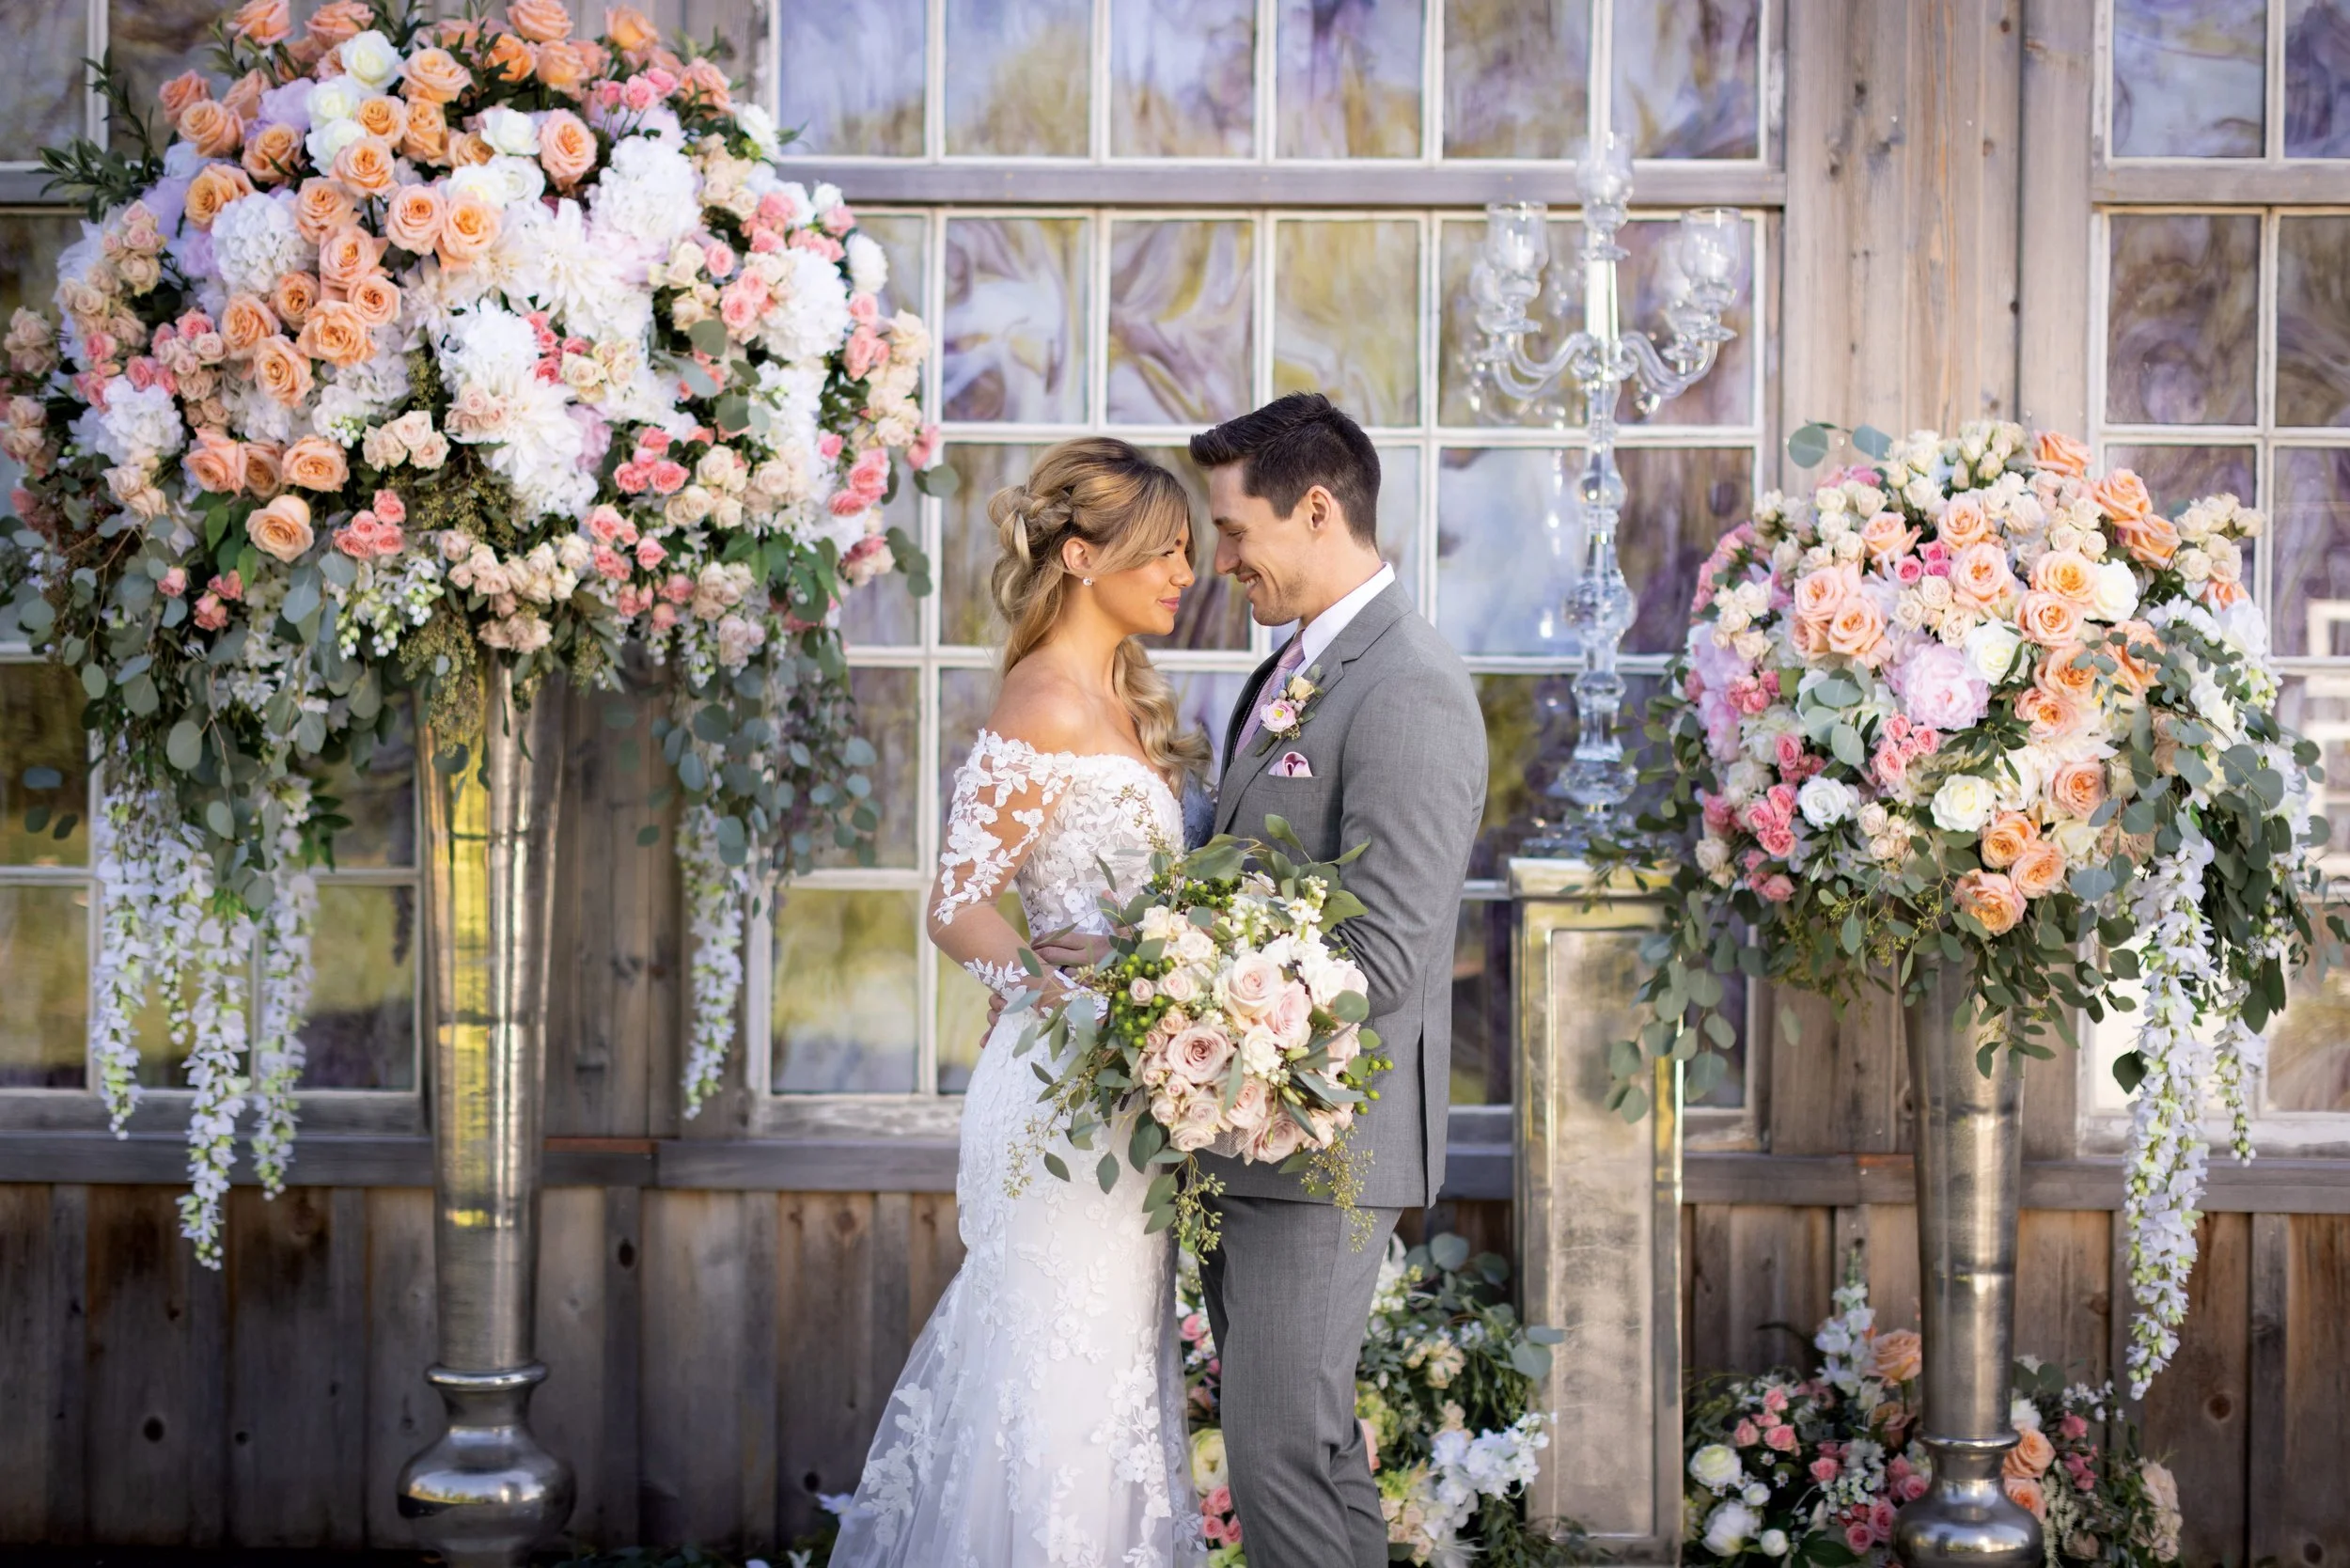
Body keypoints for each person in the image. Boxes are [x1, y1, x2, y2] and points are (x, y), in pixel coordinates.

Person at [1038, 392, 1488, 1568]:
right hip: (1253, 1132)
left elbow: (1383, 955)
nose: (1216, 559)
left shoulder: (1409, 689)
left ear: (1319, 509)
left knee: (1279, 1453)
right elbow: (1242, 869)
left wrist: (1155, 968)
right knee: (1308, 1449)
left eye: (1234, 532)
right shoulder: (1293, 665)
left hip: (1324, 1145)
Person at [828, 436, 1212, 1568]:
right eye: (1166, 553)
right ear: (1083, 557)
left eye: (1191, 551)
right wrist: (1067, 1003)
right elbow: (957, 904)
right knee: (1052, 1376)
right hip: (1063, 1093)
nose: (1185, 575)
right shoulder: (1042, 700)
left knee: (1108, 1379)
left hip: (1121, 1096)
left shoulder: (1126, 698)